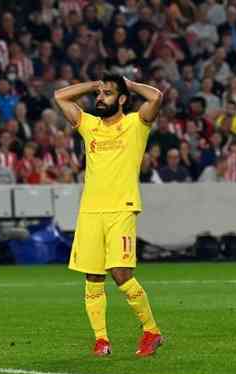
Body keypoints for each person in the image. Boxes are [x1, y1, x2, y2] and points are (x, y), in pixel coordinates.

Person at [54, 74, 164, 358]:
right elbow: (60, 96)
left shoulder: (135, 124)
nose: (100, 98)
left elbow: (156, 97)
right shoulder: (89, 125)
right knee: (93, 276)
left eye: (108, 94)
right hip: (90, 210)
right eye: (99, 94)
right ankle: (101, 340)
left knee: (121, 273)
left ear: (123, 99)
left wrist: (130, 83)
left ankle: (151, 331)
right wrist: (93, 85)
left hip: (121, 208)